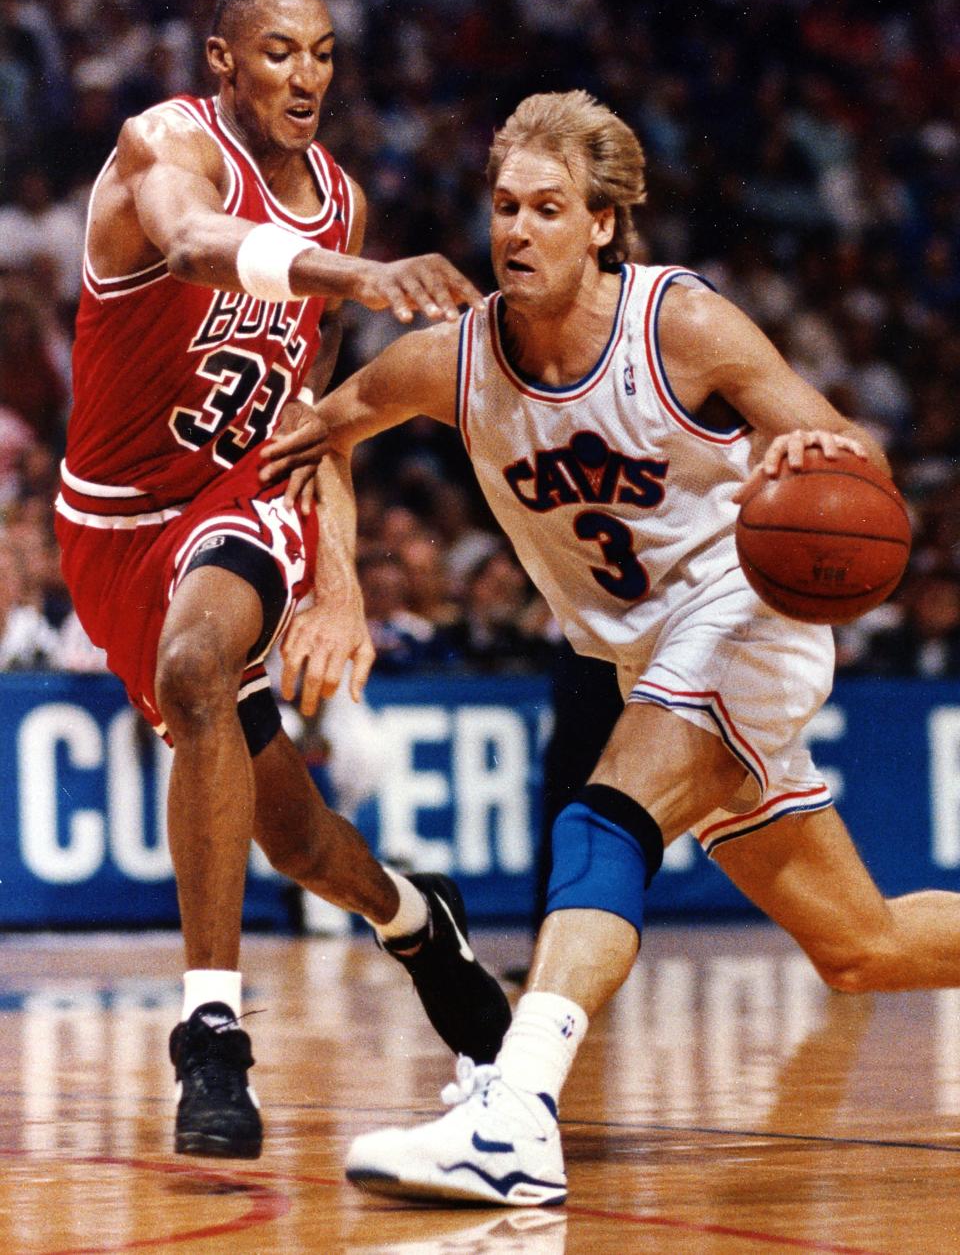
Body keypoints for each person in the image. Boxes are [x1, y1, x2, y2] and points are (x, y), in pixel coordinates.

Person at [260, 88, 960, 1207]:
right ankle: (514, 1101)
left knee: (601, 816)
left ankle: (517, 1109)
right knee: (861, 945)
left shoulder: (681, 325)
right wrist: (334, 583)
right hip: (648, 659)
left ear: (602, 224)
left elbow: (840, 445)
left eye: (546, 207)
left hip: (749, 612)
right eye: (503, 207)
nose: (517, 230)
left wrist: (830, 452)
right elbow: (319, 434)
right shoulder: (454, 360)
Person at [53, 0, 510, 1162]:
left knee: (201, 665)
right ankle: (419, 920)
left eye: (322, 53)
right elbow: (201, 246)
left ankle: (211, 1034)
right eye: (277, 53)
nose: (306, 76)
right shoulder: (163, 145)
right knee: (297, 837)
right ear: (224, 60)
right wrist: (357, 275)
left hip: (240, 497)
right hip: (108, 525)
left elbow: (318, 411)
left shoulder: (343, 197)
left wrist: (339, 578)